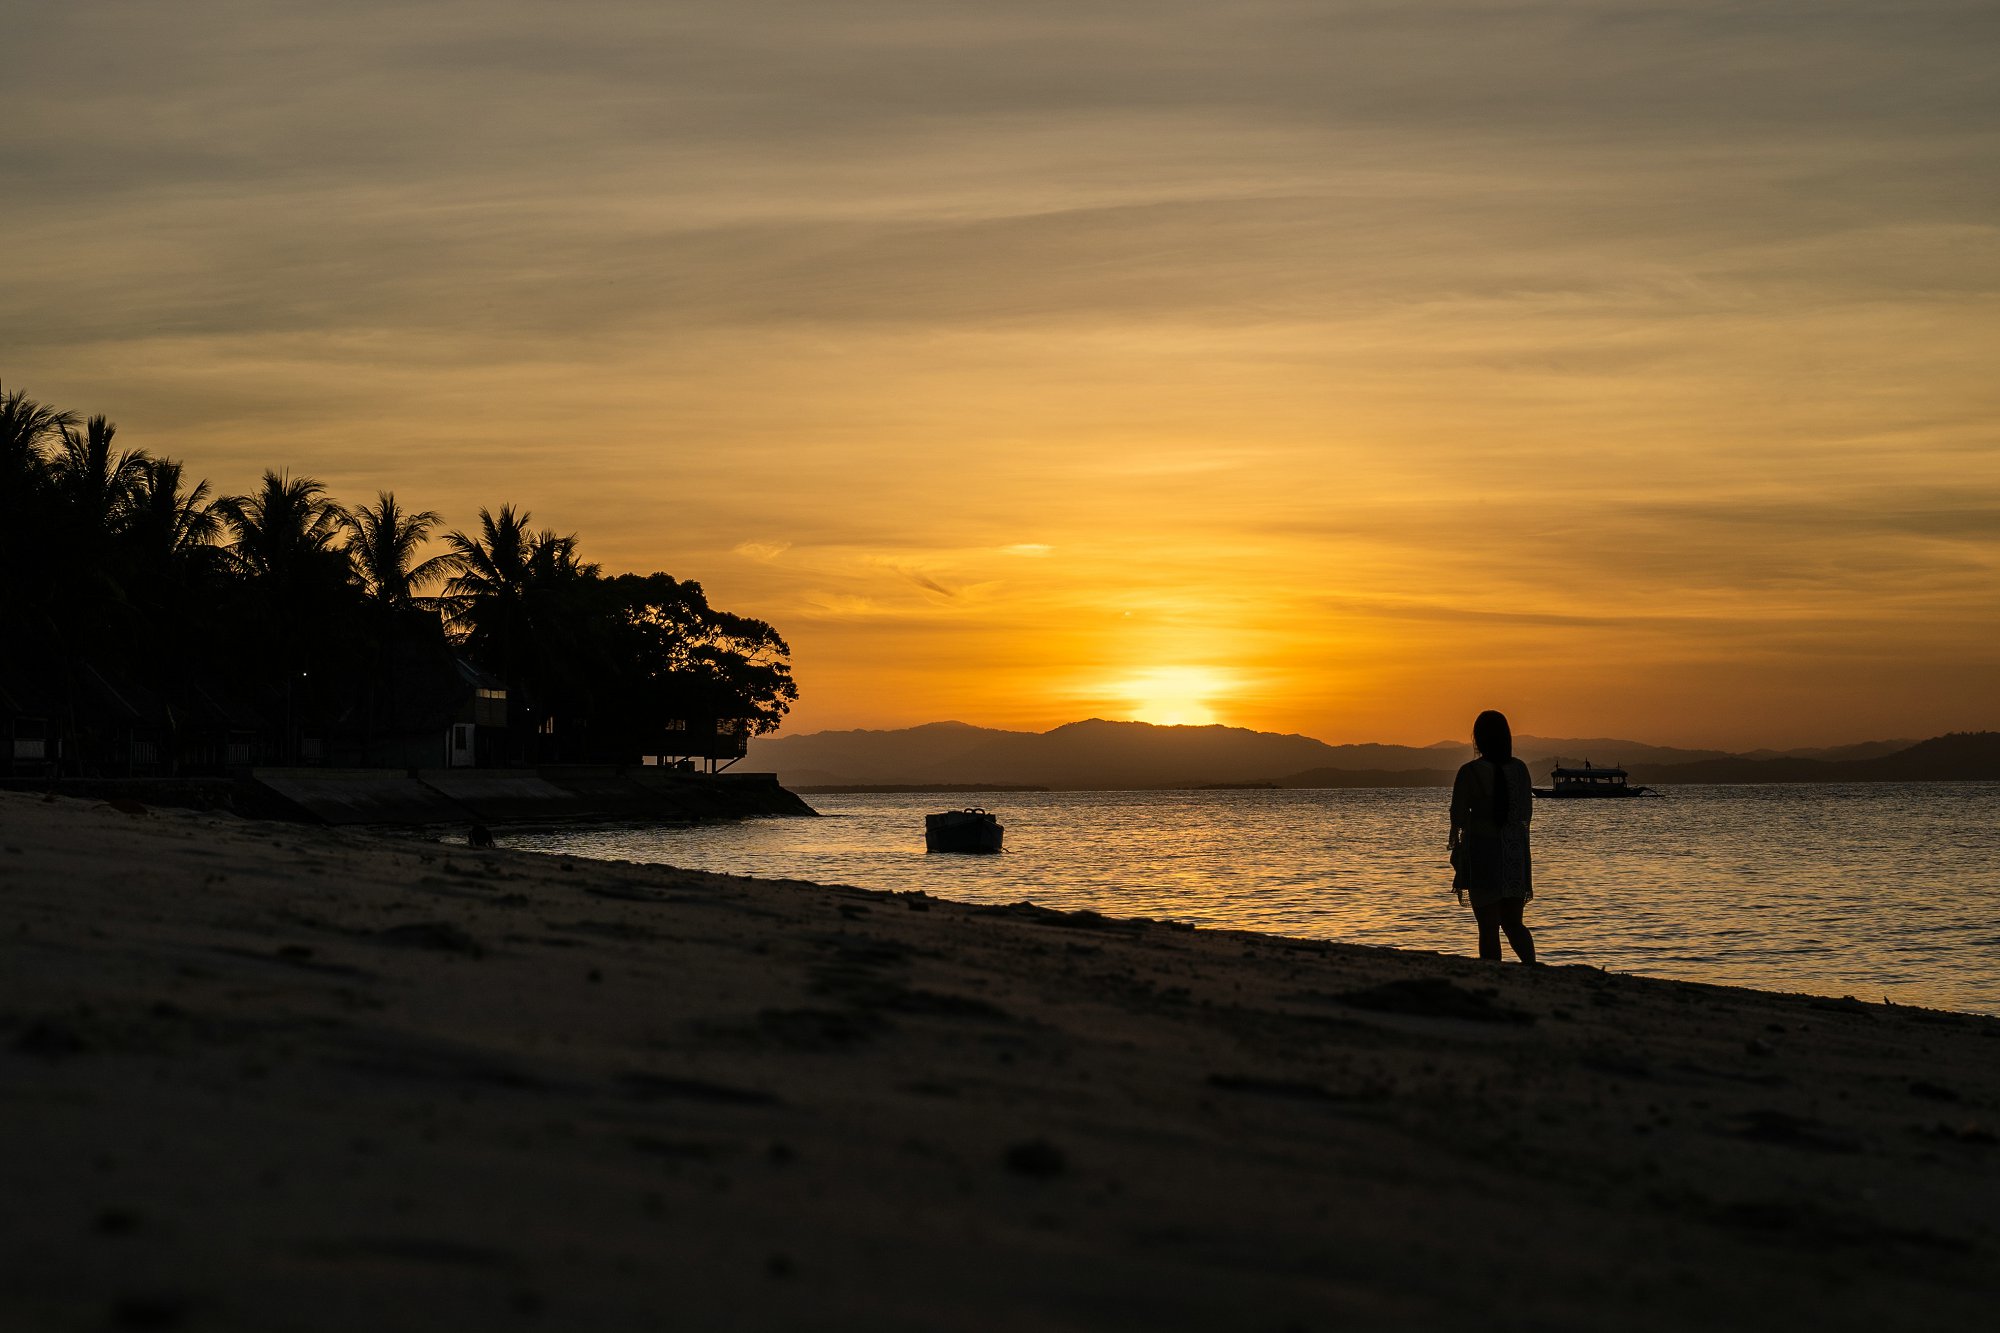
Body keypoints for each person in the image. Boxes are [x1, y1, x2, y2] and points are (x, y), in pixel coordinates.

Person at [1448, 710, 1536, 963]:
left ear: (1478, 739)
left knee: (1488, 927)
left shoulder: (1470, 772)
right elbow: (1525, 815)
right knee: (1513, 924)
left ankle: (1493, 973)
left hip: (1483, 853)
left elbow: (1458, 817)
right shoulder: (1520, 769)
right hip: (1514, 853)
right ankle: (1532, 967)